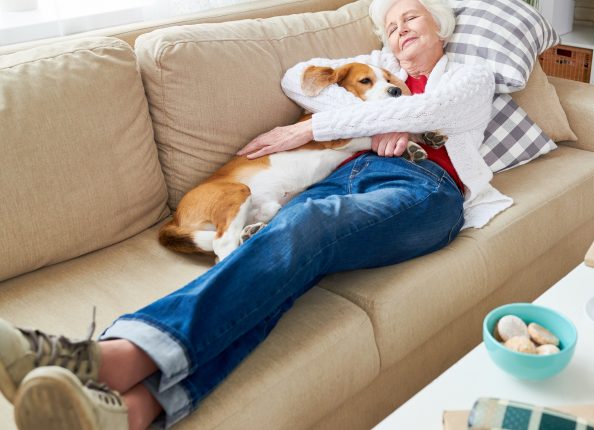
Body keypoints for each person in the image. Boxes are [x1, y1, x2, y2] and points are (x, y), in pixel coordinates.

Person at [0, 0, 511, 429]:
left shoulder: (469, 74)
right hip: (340, 180)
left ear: (441, 28)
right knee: (281, 254)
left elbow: (426, 112)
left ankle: (108, 358)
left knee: (306, 226)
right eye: (391, 26)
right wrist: (366, 116)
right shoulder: (378, 70)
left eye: (412, 19)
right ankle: (129, 412)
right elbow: (298, 81)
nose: (399, 31)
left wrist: (320, 127)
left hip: (426, 187)